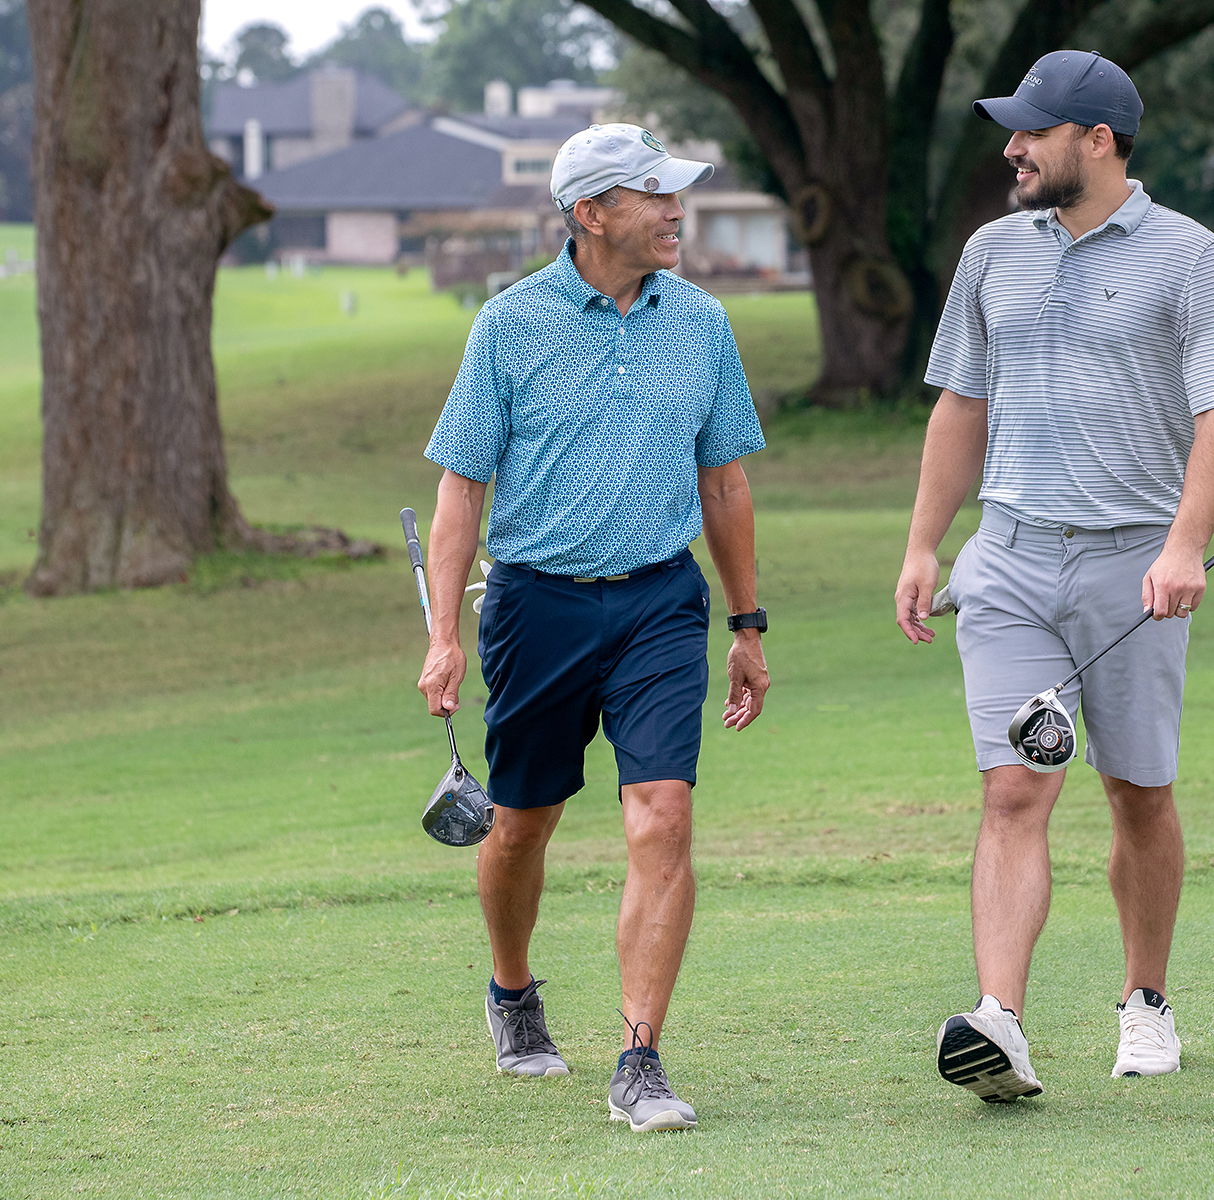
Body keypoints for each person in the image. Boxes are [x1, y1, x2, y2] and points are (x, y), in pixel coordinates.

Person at [893, 51, 1214, 1100]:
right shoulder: (991, 252)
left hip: (1133, 564)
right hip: (1009, 560)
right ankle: (999, 1023)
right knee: (1014, 787)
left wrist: (1184, 545)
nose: (1012, 148)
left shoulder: (1191, 257)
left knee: (1137, 792)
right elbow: (961, 404)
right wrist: (925, 543)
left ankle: (1145, 1001)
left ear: (1098, 141)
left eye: (1033, 131)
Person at [417, 123, 771, 1132]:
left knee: (663, 816)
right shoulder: (508, 325)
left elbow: (724, 482)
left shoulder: (701, 323)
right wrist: (444, 637)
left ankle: (640, 1058)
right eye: (654, 195)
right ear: (591, 212)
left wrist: (747, 624)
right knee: (521, 823)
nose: (676, 211)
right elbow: (461, 492)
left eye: (675, 193)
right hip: (537, 606)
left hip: (661, 602)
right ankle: (512, 990)